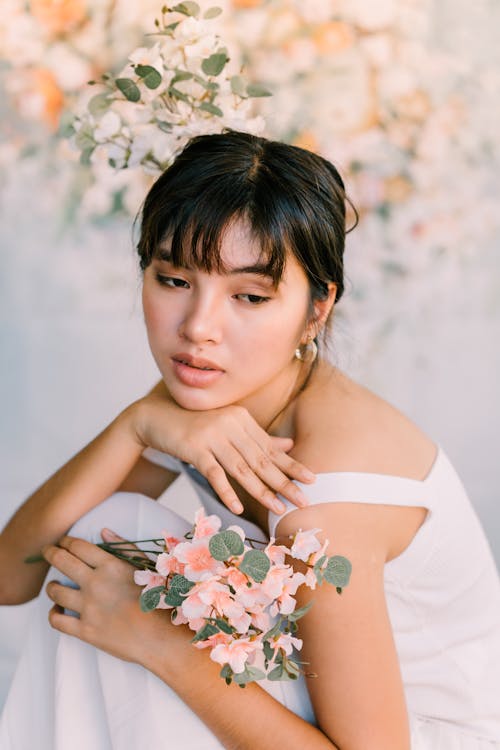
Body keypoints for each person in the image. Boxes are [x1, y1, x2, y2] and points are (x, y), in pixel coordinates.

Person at [0, 130, 499, 750]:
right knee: (112, 530)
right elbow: (13, 576)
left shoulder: (328, 501)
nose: (199, 328)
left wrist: (163, 645)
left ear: (317, 309)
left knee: (131, 564)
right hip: (294, 712)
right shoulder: (204, 396)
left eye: (250, 296)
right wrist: (135, 425)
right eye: (174, 280)